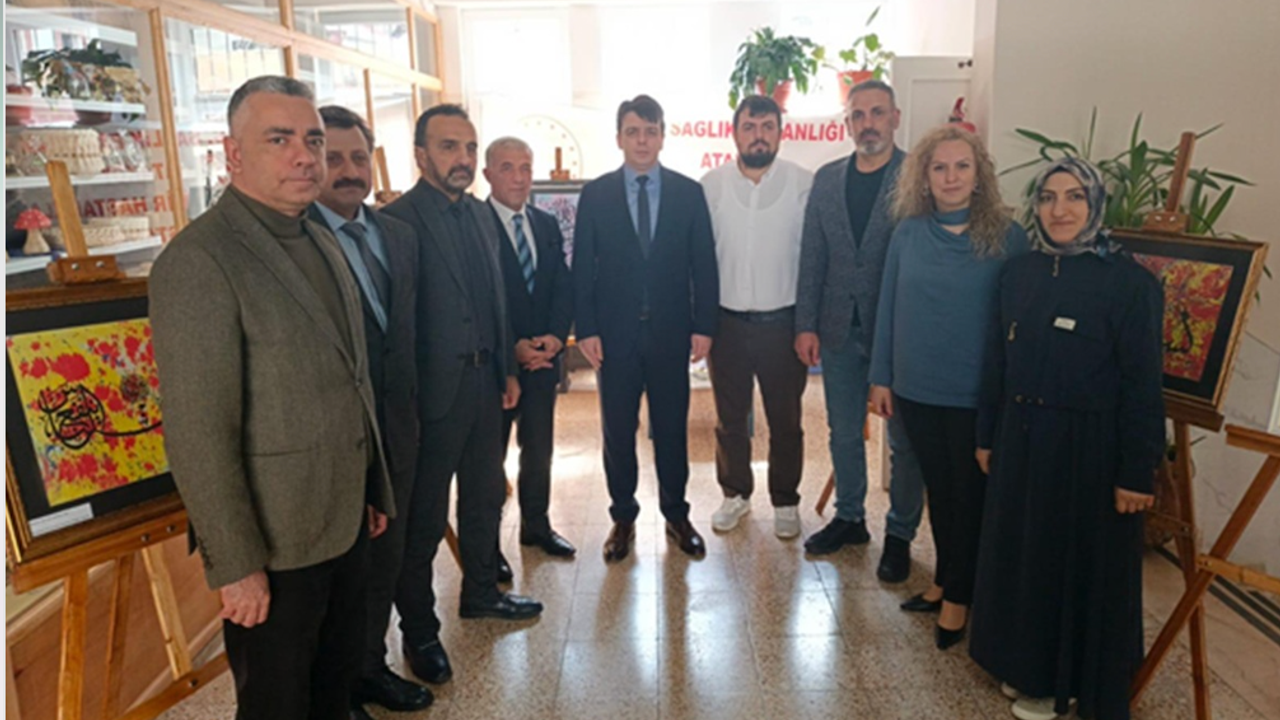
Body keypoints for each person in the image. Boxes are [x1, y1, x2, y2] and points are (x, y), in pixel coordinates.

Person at [150, 76, 393, 720]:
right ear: (233, 154)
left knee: (334, 693)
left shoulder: (319, 236)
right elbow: (199, 430)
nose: (305, 156)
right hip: (273, 544)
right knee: (277, 705)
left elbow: (350, 377)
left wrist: (372, 486)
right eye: (279, 140)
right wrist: (236, 565)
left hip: (343, 521)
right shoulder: (200, 260)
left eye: (312, 140)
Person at [969, 157, 1164, 720]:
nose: (1060, 210)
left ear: (1095, 204)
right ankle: (1027, 668)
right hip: (1022, 440)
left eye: (1075, 196)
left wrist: (1136, 471)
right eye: (1048, 197)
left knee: (1070, 566)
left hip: (1088, 450)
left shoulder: (1129, 283)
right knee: (1025, 557)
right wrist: (987, 434)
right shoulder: (1019, 273)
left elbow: (1142, 385)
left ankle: (1068, 683)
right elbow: (997, 362)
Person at [381, 104, 543, 689]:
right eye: (449, 147)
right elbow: (396, 325)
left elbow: (496, 299)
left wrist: (507, 370)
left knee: (484, 497)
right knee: (423, 520)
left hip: (483, 385)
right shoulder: (396, 222)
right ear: (420, 155)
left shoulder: (479, 214)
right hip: (429, 397)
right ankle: (420, 631)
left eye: (470, 148)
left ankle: (480, 593)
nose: (463, 159)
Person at [866, 125, 1030, 649]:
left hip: (976, 395)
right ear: (924, 176)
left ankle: (959, 598)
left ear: (979, 175)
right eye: (939, 167)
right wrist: (881, 377)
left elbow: (1020, 319)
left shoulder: (1008, 237)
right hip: (916, 389)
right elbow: (888, 307)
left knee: (970, 497)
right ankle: (943, 580)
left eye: (962, 166)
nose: (951, 177)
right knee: (940, 490)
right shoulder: (908, 233)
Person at [310, 106, 431, 717]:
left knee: (387, 558)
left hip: (397, 428)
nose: (349, 170)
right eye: (334, 158)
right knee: (342, 569)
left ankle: (370, 667)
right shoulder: (298, 241)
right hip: (333, 436)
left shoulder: (397, 235)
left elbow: (406, 335)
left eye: (359, 157)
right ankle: (338, 690)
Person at [573, 94, 719, 562]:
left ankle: (677, 515)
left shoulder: (687, 193)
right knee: (618, 430)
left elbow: (703, 264)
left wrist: (704, 325)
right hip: (613, 336)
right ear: (619, 137)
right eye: (633, 132)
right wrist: (586, 329)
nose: (642, 140)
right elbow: (583, 268)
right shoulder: (596, 195)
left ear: (662, 137)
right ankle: (623, 517)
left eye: (650, 132)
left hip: (671, 333)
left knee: (671, 427)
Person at [794, 79, 925, 583]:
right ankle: (850, 517)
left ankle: (900, 534)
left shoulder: (919, 177)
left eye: (877, 113)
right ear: (847, 122)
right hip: (837, 328)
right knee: (844, 431)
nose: (868, 124)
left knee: (904, 442)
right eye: (858, 115)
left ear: (895, 118)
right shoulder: (827, 179)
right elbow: (813, 257)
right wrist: (806, 323)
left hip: (901, 331)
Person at [700, 95, 813, 539]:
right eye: (749, 127)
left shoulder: (803, 185)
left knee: (785, 420)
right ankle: (735, 494)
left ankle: (785, 500)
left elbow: (814, 260)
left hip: (782, 324)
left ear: (781, 133)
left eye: (767, 127)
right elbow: (697, 261)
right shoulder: (710, 186)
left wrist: (808, 324)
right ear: (734, 133)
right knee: (730, 419)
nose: (758, 136)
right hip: (726, 324)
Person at [482, 136, 577, 559]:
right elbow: (477, 300)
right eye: (507, 168)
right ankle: (487, 546)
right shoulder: (475, 226)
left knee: (539, 451)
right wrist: (511, 348)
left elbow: (561, 286)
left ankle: (536, 526)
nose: (519, 178)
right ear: (488, 174)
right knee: (490, 460)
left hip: (542, 361)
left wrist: (556, 337)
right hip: (495, 367)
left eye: (525, 168)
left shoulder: (545, 223)